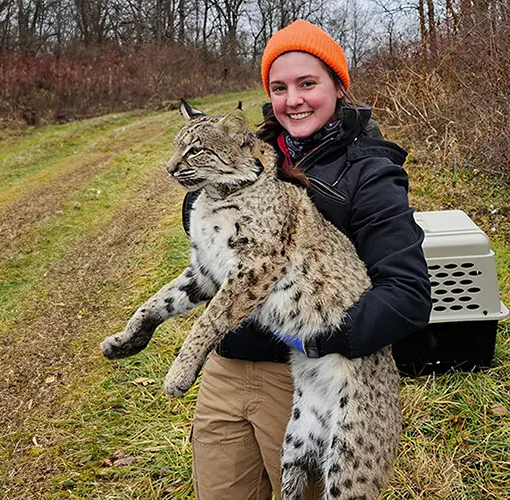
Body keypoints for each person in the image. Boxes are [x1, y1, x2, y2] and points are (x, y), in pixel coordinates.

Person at [184, 20, 431, 500]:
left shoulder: (370, 172)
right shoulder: (245, 152)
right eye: (279, 87)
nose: (292, 99)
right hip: (227, 367)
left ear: (339, 86)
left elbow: (406, 294)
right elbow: (211, 244)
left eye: (308, 84)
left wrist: (322, 338)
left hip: (301, 379)